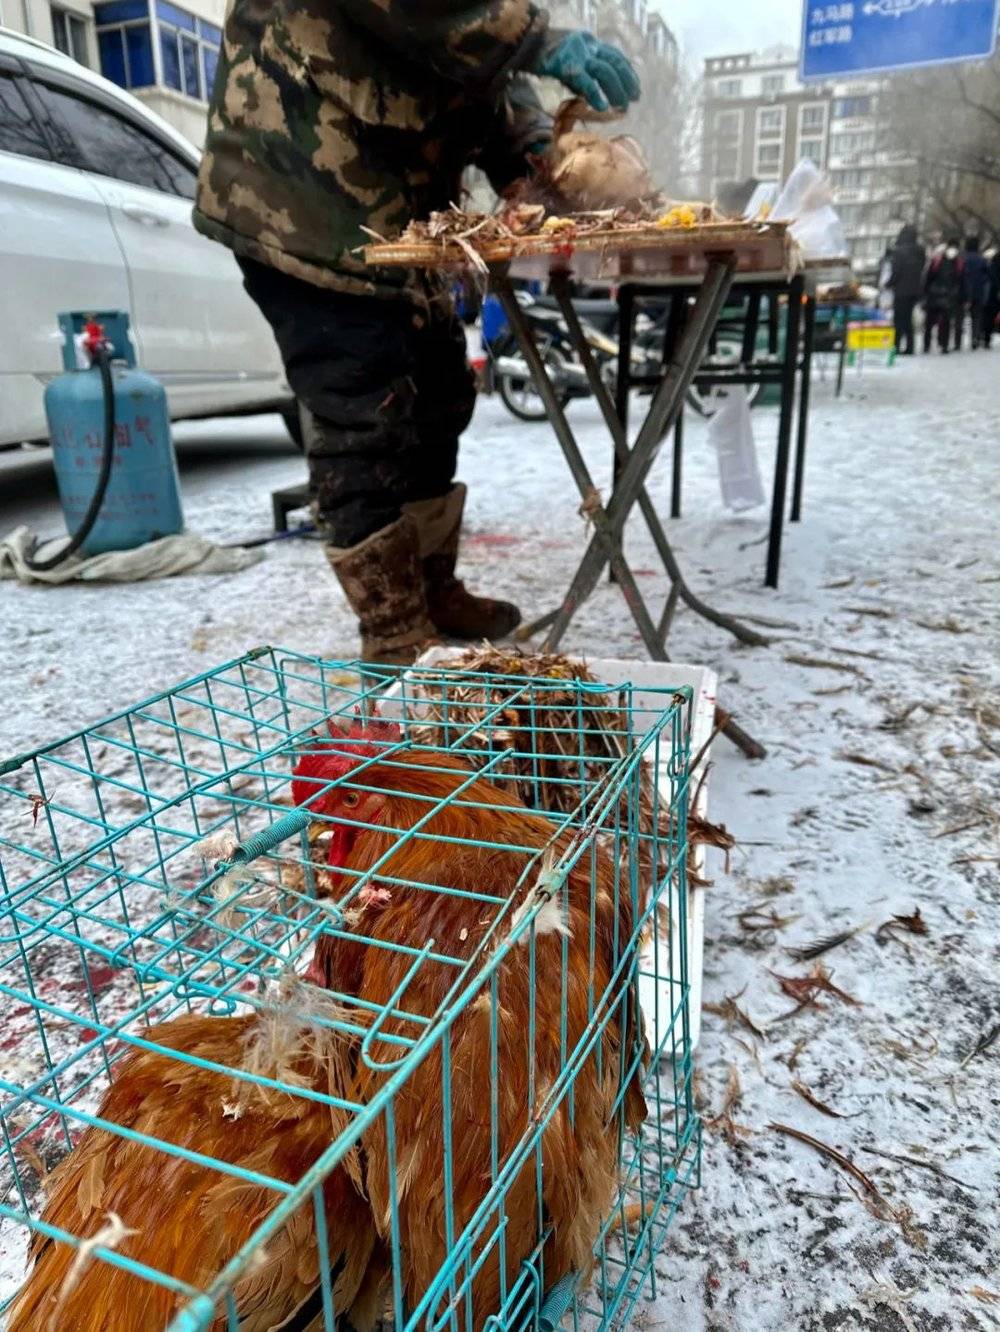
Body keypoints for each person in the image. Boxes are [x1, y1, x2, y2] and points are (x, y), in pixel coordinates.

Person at [192, 3, 639, 665]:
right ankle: (393, 629)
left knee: (441, 393)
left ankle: (432, 591)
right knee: (364, 406)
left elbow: (482, 74)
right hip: (301, 193)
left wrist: (541, 153)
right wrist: (529, 35)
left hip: (398, 213)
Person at [887, 224, 925, 355]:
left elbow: (896, 271)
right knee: (908, 319)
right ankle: (910, 346)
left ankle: (896, 345)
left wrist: (888, 283)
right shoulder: (920, 251)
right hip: (915, 290)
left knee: (898, 319)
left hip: (901, 290)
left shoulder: (899, 251)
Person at [923, 237, 964, 354]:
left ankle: (938, 345)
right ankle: (935, 345)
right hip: (939, 295)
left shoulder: (957, 262)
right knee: (935, 322)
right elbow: (929, 277)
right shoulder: (941, 261)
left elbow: (961, 280)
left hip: (942, 295)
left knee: (939, 322)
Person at [961, 235, 990, 349]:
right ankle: (975, 338)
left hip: (964, 291)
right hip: (979, 291)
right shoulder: (981, 259)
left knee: (959, 316)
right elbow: (987, 275)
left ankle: (957, 341)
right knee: (976, 317)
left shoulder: (963, 258)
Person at [985, 249, 1000, 350]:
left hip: (993, 294)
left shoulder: (993, 262)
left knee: (990, 317)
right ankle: (987, 339)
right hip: (995, 293)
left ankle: (987, 339)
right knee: (991, 316)